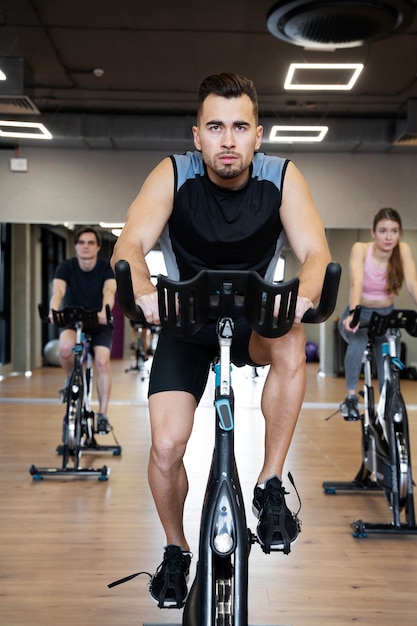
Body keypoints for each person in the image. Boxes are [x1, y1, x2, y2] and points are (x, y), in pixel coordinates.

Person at [111, 72, 331, 608]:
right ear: (197, 135)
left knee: (289, 338)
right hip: (186, 321)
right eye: (215, 127)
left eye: (239, 126)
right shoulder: (172, 174)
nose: (227, 139)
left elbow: (316, 254)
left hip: (255, 317)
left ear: (259, 135)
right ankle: (176, 548)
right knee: (166, 446)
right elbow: (132, 240)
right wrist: (141, 288)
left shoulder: (281, 176)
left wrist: (303, 294)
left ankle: (270, 483)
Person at [339, 208, 417, 421]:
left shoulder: (403, 250)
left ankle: (387, 400)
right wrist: (354, 313)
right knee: (357, 343)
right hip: (360, 313)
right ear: (373, 232)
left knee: (388, 355)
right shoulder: (361, 249)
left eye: (394, 231)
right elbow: (357, 281)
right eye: (383, 230)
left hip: (386, 315)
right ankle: (351, 398)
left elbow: (412, 283)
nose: (389, 236)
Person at [49, 226, 117, 434]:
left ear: (97, 247)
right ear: (75, 246)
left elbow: (109, 291)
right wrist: (53, 310)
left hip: (99, 319)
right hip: (74, 317)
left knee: (102, 361)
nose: (85, 247)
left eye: (90, 243)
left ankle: (103, 414)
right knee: (65, 349)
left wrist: (105, 311)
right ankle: (70, 379)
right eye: (81, 243)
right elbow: (58, 291)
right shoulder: (66, 267)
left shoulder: (106, 268)